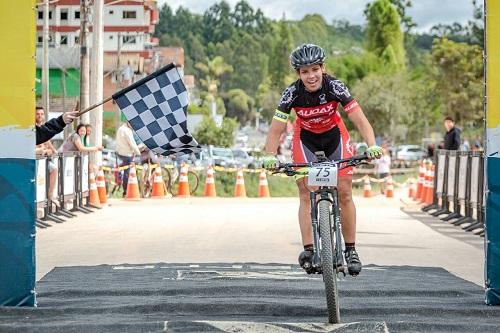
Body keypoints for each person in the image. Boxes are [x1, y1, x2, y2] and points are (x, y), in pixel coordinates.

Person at [262, 44, 382, 276]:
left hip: (335, 136)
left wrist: (372, 144)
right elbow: (275, 129)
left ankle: (350, 249)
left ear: (323, 68)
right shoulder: (292, 93)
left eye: (315, 69)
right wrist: (269, 156)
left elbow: (359, 119)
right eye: (304, 72)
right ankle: (308, 249)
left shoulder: (335, 86)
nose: (311, 76)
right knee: (305, 191)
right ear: (298, 74)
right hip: (305, 138)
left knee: (345, 190)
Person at [35, 107, 59, 201]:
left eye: (41, 114)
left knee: (54, 169)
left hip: (42, 158)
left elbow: (47, 140)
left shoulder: (43, 127)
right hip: (34, 158)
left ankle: (50, 195)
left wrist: (53, 150)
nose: (40, 116)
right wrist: (43, 149)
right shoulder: (33, 127)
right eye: (37, 114)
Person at [115, 122, 140, 196]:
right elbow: (132, 143)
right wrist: (138, 152)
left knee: (124, 170)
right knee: (128, 172)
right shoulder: (127, 130)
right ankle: (126, 190)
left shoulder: (120, 129)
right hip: (127, 154)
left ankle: (124, 189)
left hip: (119, 153)